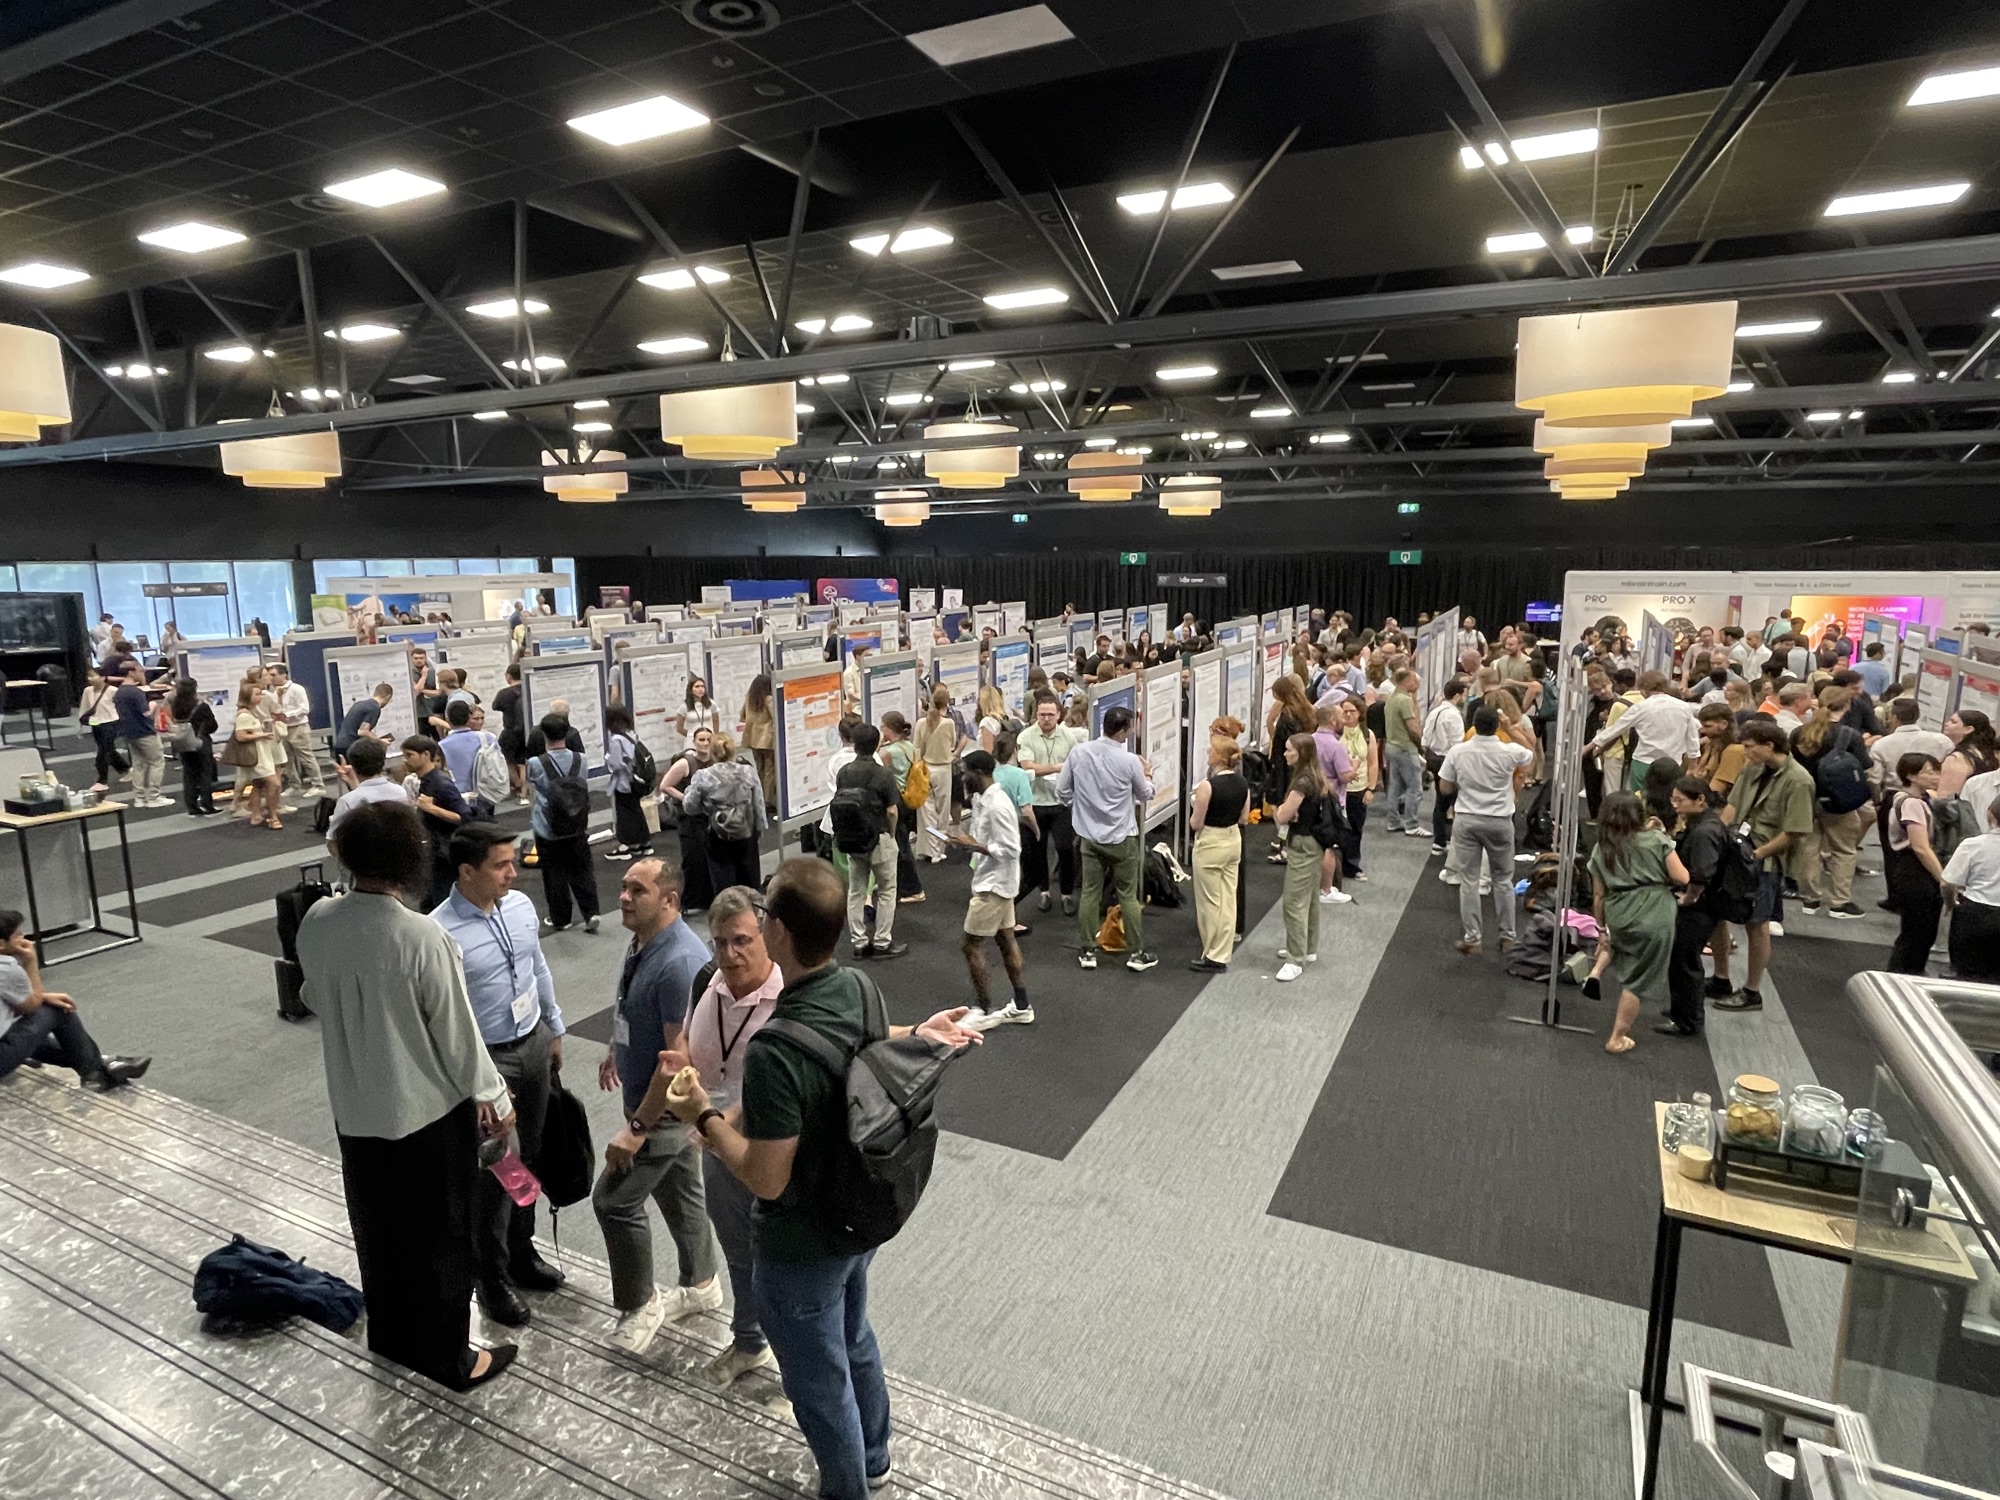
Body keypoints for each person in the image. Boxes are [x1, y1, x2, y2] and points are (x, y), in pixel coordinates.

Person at [651, 858, 981, 1500]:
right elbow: (860, 1046)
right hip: (860, 1208)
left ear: (777, 932)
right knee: (853, 1336)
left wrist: (704, 1117)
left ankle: (848, 1488)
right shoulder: (858, 985)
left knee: (817, 1381)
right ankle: (875, 1460)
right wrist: (920, 1032)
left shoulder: (774, 1050)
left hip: (802, 1240)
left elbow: (766, 1178)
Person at [296, 801, 517, 1391]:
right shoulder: (421, 936)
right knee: (442, 1235)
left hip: (354, 1107)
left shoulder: (317, 919)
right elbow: (458, 1035)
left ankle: (391, 1337)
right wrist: (495, 1096)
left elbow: (312, 995)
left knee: (379, 1230)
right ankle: (450, 1356)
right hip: (426, 1112)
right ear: (411, 858)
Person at [429, 823, 568, 1327]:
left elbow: (537, 967)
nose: (514, 872)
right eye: (501, 865)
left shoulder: (520, 907)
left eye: (514, 861)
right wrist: (478, 1083)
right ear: (467, 871)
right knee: (496, 1170)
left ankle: (521, 1252)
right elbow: (444, 1017)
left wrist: (554, 1028)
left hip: (532, 1043)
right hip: (487, 1062)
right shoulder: (440, 933)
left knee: (528, 1156)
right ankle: (490, 1280)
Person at [590, 857, 724, 1352]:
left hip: (662, 1114)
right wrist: (616, 1047)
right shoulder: (643, 941)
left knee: (613, 1202)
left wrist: (636, 1129)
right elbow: (634, 1007)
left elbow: (677, 1062)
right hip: (649, 1103)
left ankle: (639, 1304)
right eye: (624, 887)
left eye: (637, 891)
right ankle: (702, 1284)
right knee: (680, 1193)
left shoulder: (679, 963)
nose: (623, 897)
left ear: (669, 900)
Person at [1714, 720, 1817, 1012]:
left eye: (1750, 747)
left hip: (1764, 859)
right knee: (1717, 912)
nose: (1746, 753)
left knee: (1756, 923)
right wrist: (1717, 838)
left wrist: (1757, 855)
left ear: (1769, 745)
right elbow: (1732, 806)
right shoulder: (1752, 769)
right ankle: (1721, 978)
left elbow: (1794, 831)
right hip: (1735, 848)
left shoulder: (1799, 780)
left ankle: (1752, 990)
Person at [1057, 704, 1157, 972]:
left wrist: (1079, 808)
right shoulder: (1130, 761)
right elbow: (1145, 794)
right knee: (1128, 895)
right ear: (1123, 731)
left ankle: (1088, 950)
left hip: (1090, 838)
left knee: (1090, 892)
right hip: (1122, 838)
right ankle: (1137, 953)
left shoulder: (1079, 753)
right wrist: (1148, 775)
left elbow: (1062, 791)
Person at [0, 908, 148, 1088]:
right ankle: (94, 1072)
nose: (24, 938)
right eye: (18, 935)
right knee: (56, 1010)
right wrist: (31, 961)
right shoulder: (6, 968)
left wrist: (42, 996)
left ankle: (102, 1063)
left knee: (34, 1036)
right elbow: (31, 1006)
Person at [1587, 791, 1687, 1056]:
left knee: (1623, 952)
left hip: (1619, 912)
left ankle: (1595, 972)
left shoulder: (1601, 848)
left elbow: (1598, 896)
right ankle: (1617, 1037)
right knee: (1637, 980)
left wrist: (1601, 929)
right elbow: (1683, 877)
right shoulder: (1656, 840)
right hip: (1655, 912)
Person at [943, 750, 1030, 1028]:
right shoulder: (983, 800)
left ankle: (983, 1009)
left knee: (970, 946)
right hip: (996, 881)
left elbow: (1011, 849)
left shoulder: (997, 806)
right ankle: (1022, 1005)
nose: (962, 777)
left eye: (965, 772)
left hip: (993, 886)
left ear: (978, 773)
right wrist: (967, 842)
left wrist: (975, 846)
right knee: (1006, 941)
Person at [1438, 707, 1533, 955]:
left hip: (1467, 820)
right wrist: (1512, 729)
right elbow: (1530, 753)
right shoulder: (1509, 751)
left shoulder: (1458, 751)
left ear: (1474, 725)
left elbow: (1445, 787)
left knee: (1469, 881)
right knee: (1503, 880)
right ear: (1497, 726)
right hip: (1500, 821)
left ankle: (1473, 939)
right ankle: (1507, 937)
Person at [1662, 776, 1742, 1038]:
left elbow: (1702, 873)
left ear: (1700, 800)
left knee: (1685, 960)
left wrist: (1690, 897)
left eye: (1680, 800)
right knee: (1683, 959)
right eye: (1673, 799)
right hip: (1708, 903)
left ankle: (1687, 1020)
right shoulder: (1706, 824)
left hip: (1701, 906)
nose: (1675, 805)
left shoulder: (1704, 832)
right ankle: (1682, 1011)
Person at [1790, 687, 1871, 920]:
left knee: (1808, 849)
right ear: (1846, 706)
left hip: (1805, 798)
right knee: (1844, 850)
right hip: (1838, 801)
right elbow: (1864, 766)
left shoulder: (1799, 733)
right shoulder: (1849, 735)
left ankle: (1810, 898)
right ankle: (1839, 902)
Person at [832, 723, 905, 959]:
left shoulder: (844, 772)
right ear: (876, 744)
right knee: (886, 889)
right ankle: (882, 942)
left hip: (852, 839)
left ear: (854, 744)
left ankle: (859, 942)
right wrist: (891, 834)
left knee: (856, 891)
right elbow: (892, 810)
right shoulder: (883, 774)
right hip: (879, 837)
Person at [528, 717, 602, 933]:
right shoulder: (581, 759)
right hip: (577, 823)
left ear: (544, 735)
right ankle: (591, 913)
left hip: (548, 826)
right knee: (583, 869)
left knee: (553, 873)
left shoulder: (536, 763)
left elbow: (533, 785)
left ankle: (561, 918)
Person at [1271, 732, 1333, 982]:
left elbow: (1282, 816)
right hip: (1314, 843)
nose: (1285, 753)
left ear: (1302, 753)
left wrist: (1280, 809)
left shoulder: (1300, 783)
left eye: (1290, 750)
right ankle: (1307, 948)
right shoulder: (1315, 776)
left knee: (1294, 902)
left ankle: (1295, 959)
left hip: (1302, 845)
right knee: (1309, 898)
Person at [1189, 722, 1249, 972]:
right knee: (1228, 898)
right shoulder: (1242, 783)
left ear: (1219, 757)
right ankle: (1223, 951)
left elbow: (1195, 823)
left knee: (1209, 902)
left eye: (1211, 750)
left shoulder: (1207, 786)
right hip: (1233, 840)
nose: (1207, 752)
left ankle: (1212, 953)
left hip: (1211, 843)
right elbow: (1244, 818)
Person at [1884, 753, 1947, 974]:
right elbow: (1920, 847)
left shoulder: (1912, 799)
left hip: (1910, 868)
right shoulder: (1911, 803)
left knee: (1918, 932)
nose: (1936, 777)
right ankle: (1904, 976)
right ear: (1910, 775)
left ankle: (1906, 973)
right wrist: (1943, 879)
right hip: (1914, 870)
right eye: (1929, 772)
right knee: (1917, 933)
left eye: (1937, 771)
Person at [1583, 670, 1696, 791]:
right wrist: (1692, 767)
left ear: (1644, 689)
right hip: (1672, 764)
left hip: (1643, 762)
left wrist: (1588, 747)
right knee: (1667, 797)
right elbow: (1693, 740)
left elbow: (1615, 729)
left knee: (1639, 797)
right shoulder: (1684, 707)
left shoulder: (1641, 707)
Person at [685, 729, 766, 895]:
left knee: (724, 884)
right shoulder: (748, 771)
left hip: (718, 834)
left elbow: (690, 807)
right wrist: (759, 828)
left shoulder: (703, 776)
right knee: (750, 883)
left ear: (712, 752)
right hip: (746, 832)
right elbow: (758, 803)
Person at [660, 725, 717, 914]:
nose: (705, 743)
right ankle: (685, 902)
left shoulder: (715, 760)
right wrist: (686, 798)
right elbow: (665, 785)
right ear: (694, 742)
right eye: (701, 740)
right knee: (692, 861)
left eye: (708, 740)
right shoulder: (685, 763)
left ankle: (708, 899)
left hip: (709, 818)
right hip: (690, 820)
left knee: (709, 859)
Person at [1943, 801, 2000, 981]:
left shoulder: (1973, 845)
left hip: (1974, 914)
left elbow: (1947, 883)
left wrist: (1950, 902)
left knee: (1966, 974)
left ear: (1990, 815)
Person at [877, 712, 925, 904]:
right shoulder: (909, 747)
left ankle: (913, 889)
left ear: (889, 729)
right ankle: (902, 885)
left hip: (896, 801)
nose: (881, 729)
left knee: (899, 845)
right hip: (908, 799)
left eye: (883, 726)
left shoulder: (888, 752)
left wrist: (880, 743)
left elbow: (877, 767)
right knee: (901, 841)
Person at [326, 736, 406, 846]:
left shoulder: (347, 801)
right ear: (383, 762)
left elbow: (333, 841)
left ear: (353, 766)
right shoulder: (401, 792)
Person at [913, 686, 963, 861]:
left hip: (925, 768)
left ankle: (927, 850)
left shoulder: (921, 723)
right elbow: (953, 743)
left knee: (926, 813)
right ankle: (939, 850)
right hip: (943, 769)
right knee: (942, 812)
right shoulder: (949, 723)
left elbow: (916, 747)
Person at [1869, 697, 1953, 798]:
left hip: (1894, 796)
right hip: (1931, 797)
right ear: (1918, 716)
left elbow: (1875, 781)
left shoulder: (1881, 745)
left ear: (1894, 717)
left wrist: (1878, 802)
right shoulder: (1942, 741)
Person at [112, 661, 168, 808]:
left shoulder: (119, 692)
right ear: (131, 672)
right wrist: (154, 705)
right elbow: (146, 713)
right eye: (140, 671)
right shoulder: (136, 692)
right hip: (145, 731)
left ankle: (139, 798)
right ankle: (153, 797)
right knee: (157, 762)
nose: (143, 674)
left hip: (129, 733)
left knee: (138, 765)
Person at [230, 677, 283, 828]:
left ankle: (256, 815)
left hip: (261, 753)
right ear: (248, 696)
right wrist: (261, 735)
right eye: (257, 694)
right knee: (275, 784)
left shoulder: (251, 713)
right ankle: (273, 816)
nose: (260, 697)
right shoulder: (244, 715)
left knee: (258, 785)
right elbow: (240, 736)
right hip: (257, 756)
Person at [1423, 678, 1468, 854]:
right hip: (1448, 760)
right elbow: (1458, 743)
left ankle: (1440, 840)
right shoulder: (1454, 715)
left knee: (1441, 800)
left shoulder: (1435, 711)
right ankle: (1453, 840)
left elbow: (1426, 737)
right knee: (1454, 800)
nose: (1465, 698)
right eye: (1464, 695)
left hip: (1433, 758)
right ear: (1457, 696)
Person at [603, 704, 653, 861]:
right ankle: (645, 844)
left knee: (625, 815)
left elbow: (616, 764)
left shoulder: (616, 739)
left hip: (624, 782)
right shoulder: (631, 735)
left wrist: (607, 758)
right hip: (636, 781)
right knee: (636, 811)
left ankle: (629, 846)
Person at [268, 662, 324, 799]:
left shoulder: (297, 689)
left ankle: (318, 785)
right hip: (283, 729)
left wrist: (286, 715)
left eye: (274, 675)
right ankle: (294, 785)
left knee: (306, 757)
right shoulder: (274, 693)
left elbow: (304, 709)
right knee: (287, 759)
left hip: (298, 727)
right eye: (270, 675)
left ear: (283, 675)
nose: (271, 678)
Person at [1380, 666, 1425, 835]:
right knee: (1415, 788)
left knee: (1395, 787)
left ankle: (1393, 821)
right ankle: (1412, 824)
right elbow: (1413, 727)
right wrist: (1421, 745)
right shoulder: (1405, 700)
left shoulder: (1392, 698)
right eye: (1415, 681)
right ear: (1406, 681)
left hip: (1392, 747)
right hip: (1405, 748)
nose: (1417, 685)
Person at [167, 678, 220, 816]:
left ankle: (192, 805)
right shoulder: (201, 706)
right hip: (201, 741)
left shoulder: (175, 704)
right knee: (205, 772)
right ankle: (207, 804)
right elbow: (213, 725)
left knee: (189, 773)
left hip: (183, 740)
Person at [79, 666, 128, 793]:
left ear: (103, 677)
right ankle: (125, 769)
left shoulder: (113, 691)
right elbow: (84, 709)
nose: (90, 679)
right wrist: (84, 723)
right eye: (88, 676)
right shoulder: (87, 691)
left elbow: (121, 709)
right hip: (96, 723)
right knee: (109, 750)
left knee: (103, 751)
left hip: (111, 722)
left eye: (93, 675)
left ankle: (102, 780)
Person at [1938, 709, 2000, 797]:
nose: (1946, 723)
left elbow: (1946, 795)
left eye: (1953, 722)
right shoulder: (1989, 753)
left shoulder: (1958, 759)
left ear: (1969, 729)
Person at [492, 664, 530, 803]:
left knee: (505, 758)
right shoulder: (528, 689)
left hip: (510, 731)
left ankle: (517, 783)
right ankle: (524, 790)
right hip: (526, 730)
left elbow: (495, 706)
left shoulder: (504, 693)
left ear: (509, 676)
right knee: (523, 762)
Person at [333, 682, 394, 762]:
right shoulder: (374, 708)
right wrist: (380, 741)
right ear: (388, 697)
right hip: (351, 747)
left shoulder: (359, 704)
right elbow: (362, 731)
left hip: (340, 744)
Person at [743, 674, 777, 809]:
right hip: (767, 739)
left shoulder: (749, 698)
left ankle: (759, 796)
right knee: (770, 770)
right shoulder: (769, 699)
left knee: (759, 768)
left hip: (752, 737)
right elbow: (776, 717)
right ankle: (767, 800)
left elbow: (742, 715)